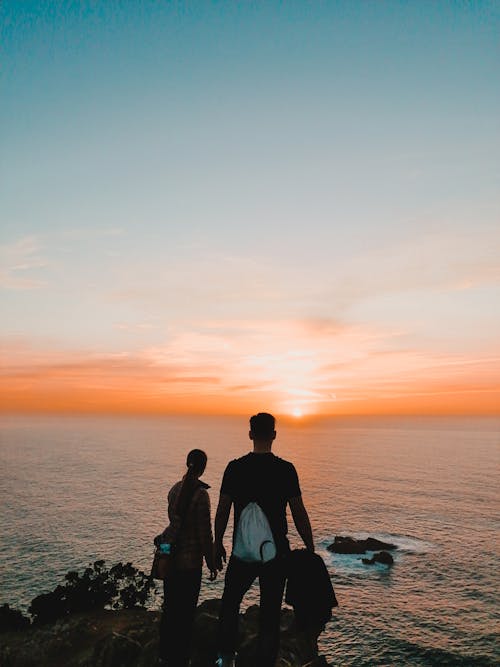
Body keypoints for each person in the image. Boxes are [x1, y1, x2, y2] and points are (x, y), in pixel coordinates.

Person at [214, 413, 314, 667]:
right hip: (276, 553)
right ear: (273, 435)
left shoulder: (234, 468)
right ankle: (266, 662)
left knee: (230, 603)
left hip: (241, 551)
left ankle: (226, 658)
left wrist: (217, 544)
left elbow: (223, 509)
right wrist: (310, 547)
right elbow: (299, 512)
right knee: (270, 611)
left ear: (250, 435)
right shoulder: (286, 469)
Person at [155, 449, 217, 667]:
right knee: (186, 612)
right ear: (203, 467)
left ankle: (165, 655)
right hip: (190, 564)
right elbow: (204, 533)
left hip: (171, 560)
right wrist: (211, 561)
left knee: (171, 607)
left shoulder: (174, 490)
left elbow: (174, 523)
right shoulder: (201, 495)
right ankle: (181, 658)